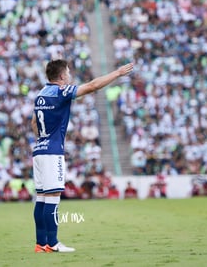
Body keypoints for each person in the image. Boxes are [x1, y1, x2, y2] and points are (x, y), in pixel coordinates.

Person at [31, 59, 134, 253]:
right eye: (68, 73)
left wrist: (42, 139)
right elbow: (93, 86)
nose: (69, 76)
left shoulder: (40, 95)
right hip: (52, 152)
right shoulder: (61, 91)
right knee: (52, 197)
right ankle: (52, 243)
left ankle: (40, 243)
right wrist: (118, 73)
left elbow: (33, 123)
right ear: (62, 76)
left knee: (42, 198)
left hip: (39, 150)